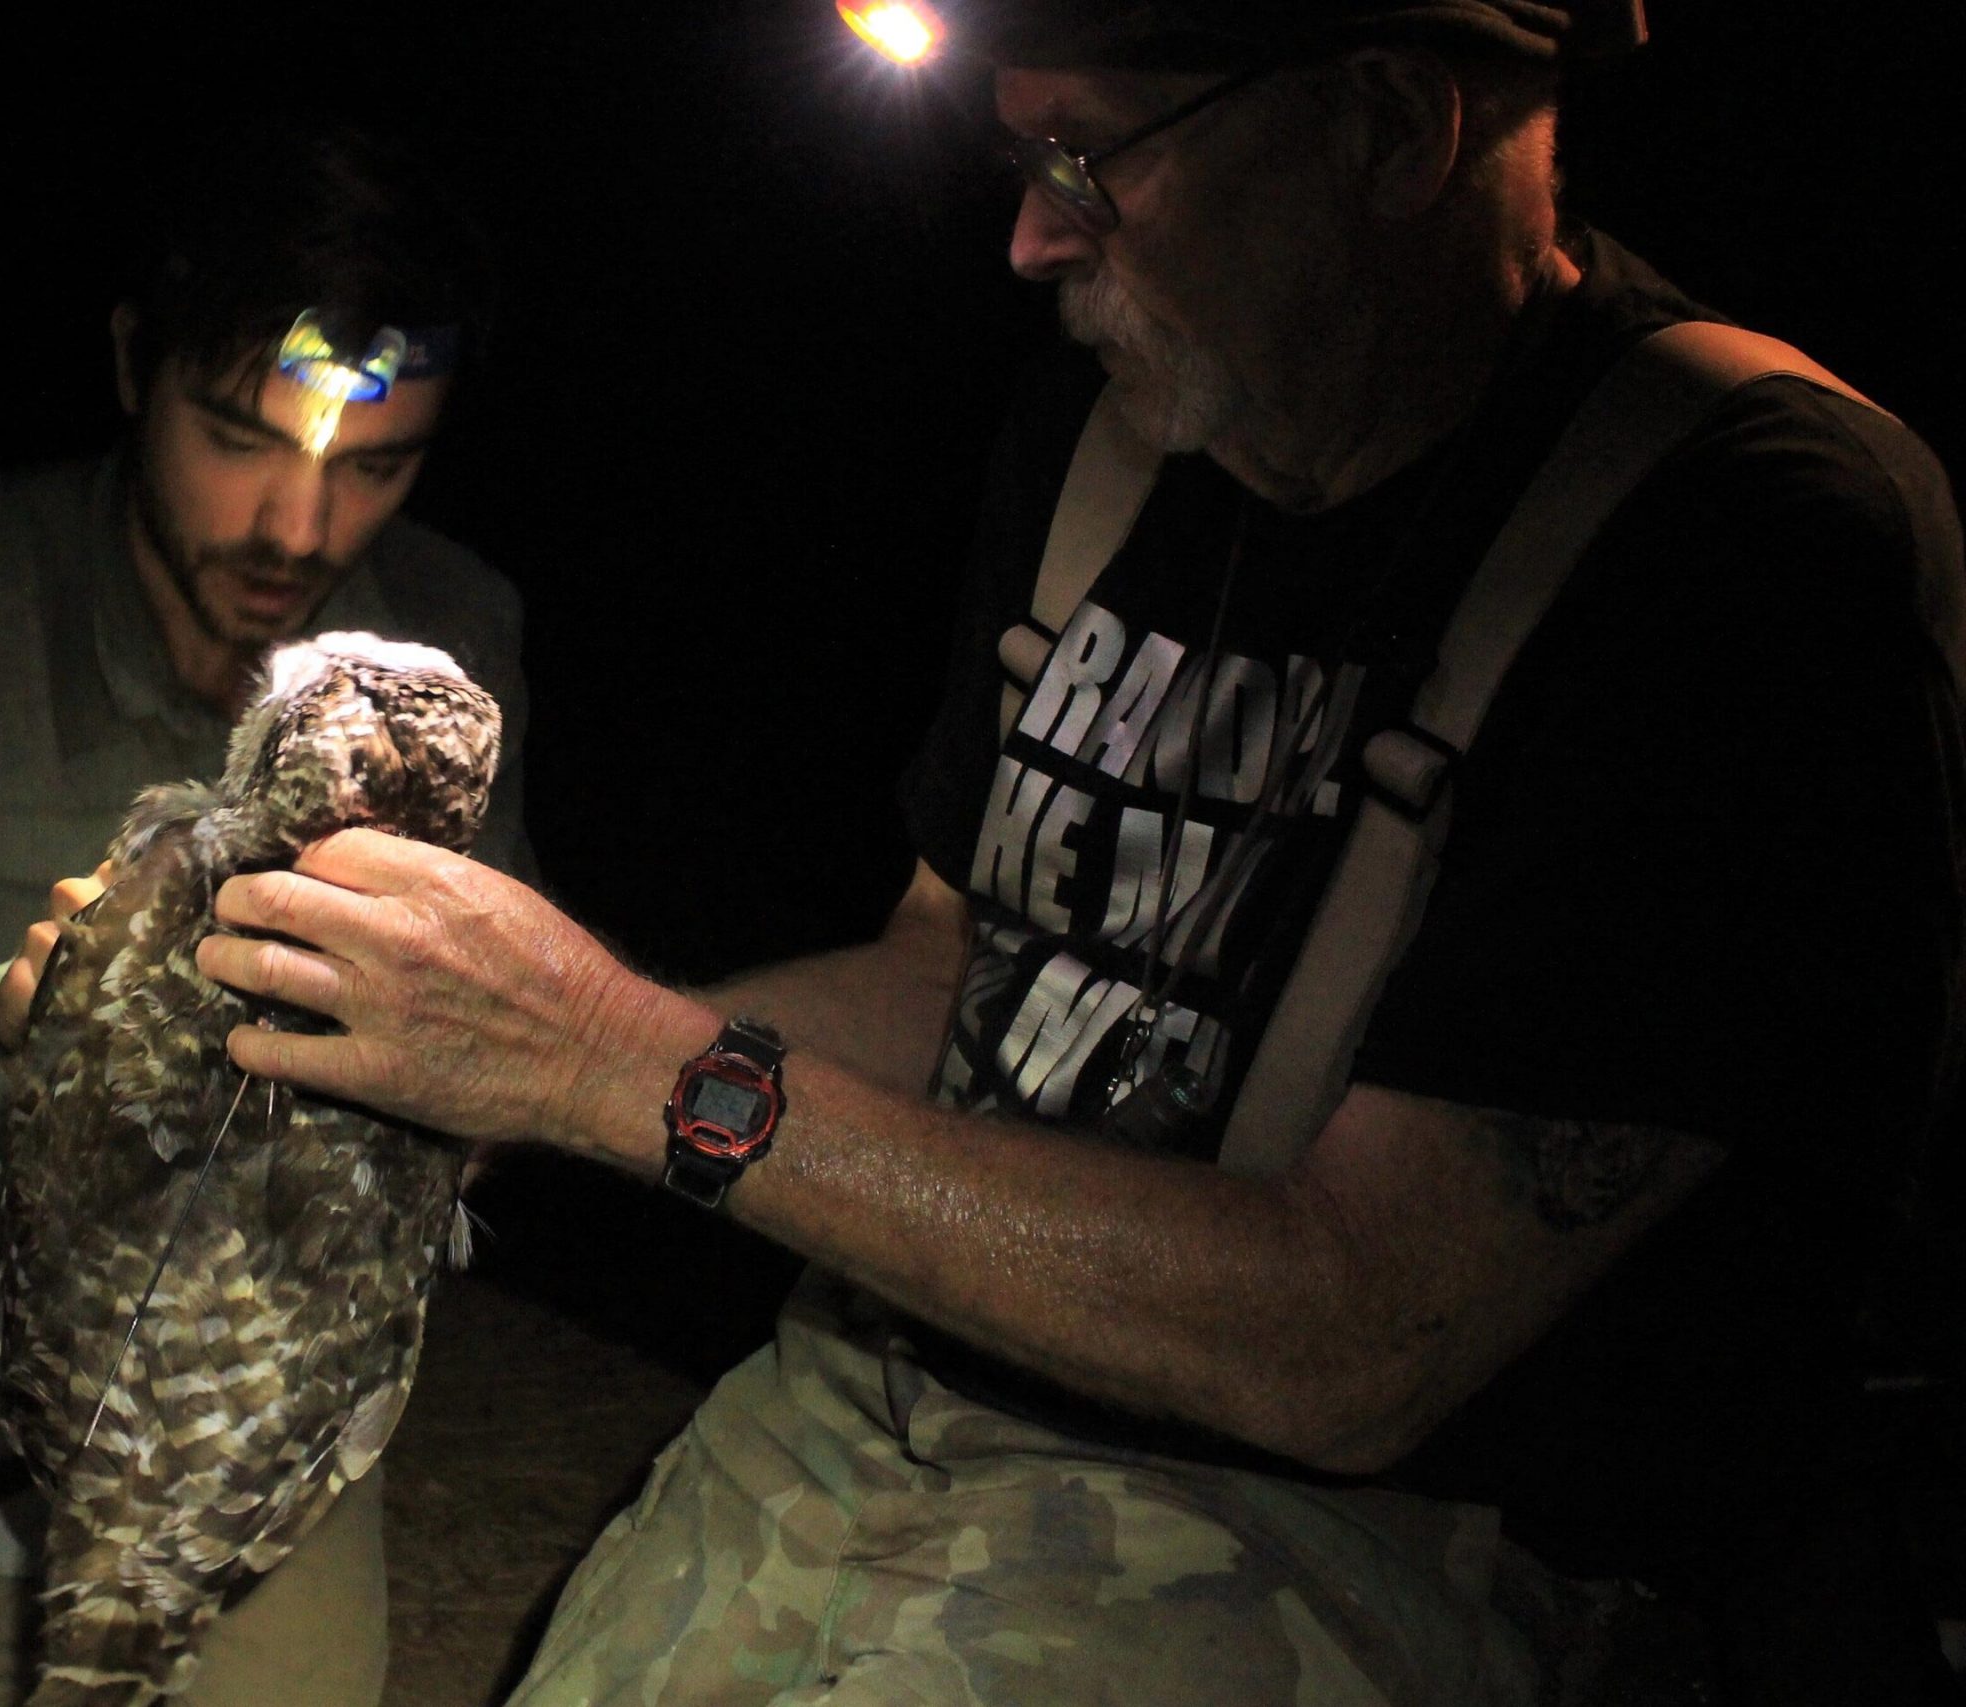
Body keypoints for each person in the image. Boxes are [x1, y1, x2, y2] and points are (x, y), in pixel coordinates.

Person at [189, 4, 1961, 1703]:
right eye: (1017, 154)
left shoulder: (1738, 543)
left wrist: (602, 1057)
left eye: (1090, 157)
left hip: (1355, 1521)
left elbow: (1360, 1340)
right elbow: (952, 964)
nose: (1032, 241)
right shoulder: (1130, 426)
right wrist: (487, 1081)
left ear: (1389, 125)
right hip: (894, 1377)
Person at [0, 120, 535, 1707]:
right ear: (129, 366)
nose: (300, 531)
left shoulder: (452, 636)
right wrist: (28, 1029)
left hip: (269, 1462)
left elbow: (490, 1081)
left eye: (374, 464)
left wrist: (466, 1086)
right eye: (240, 434)